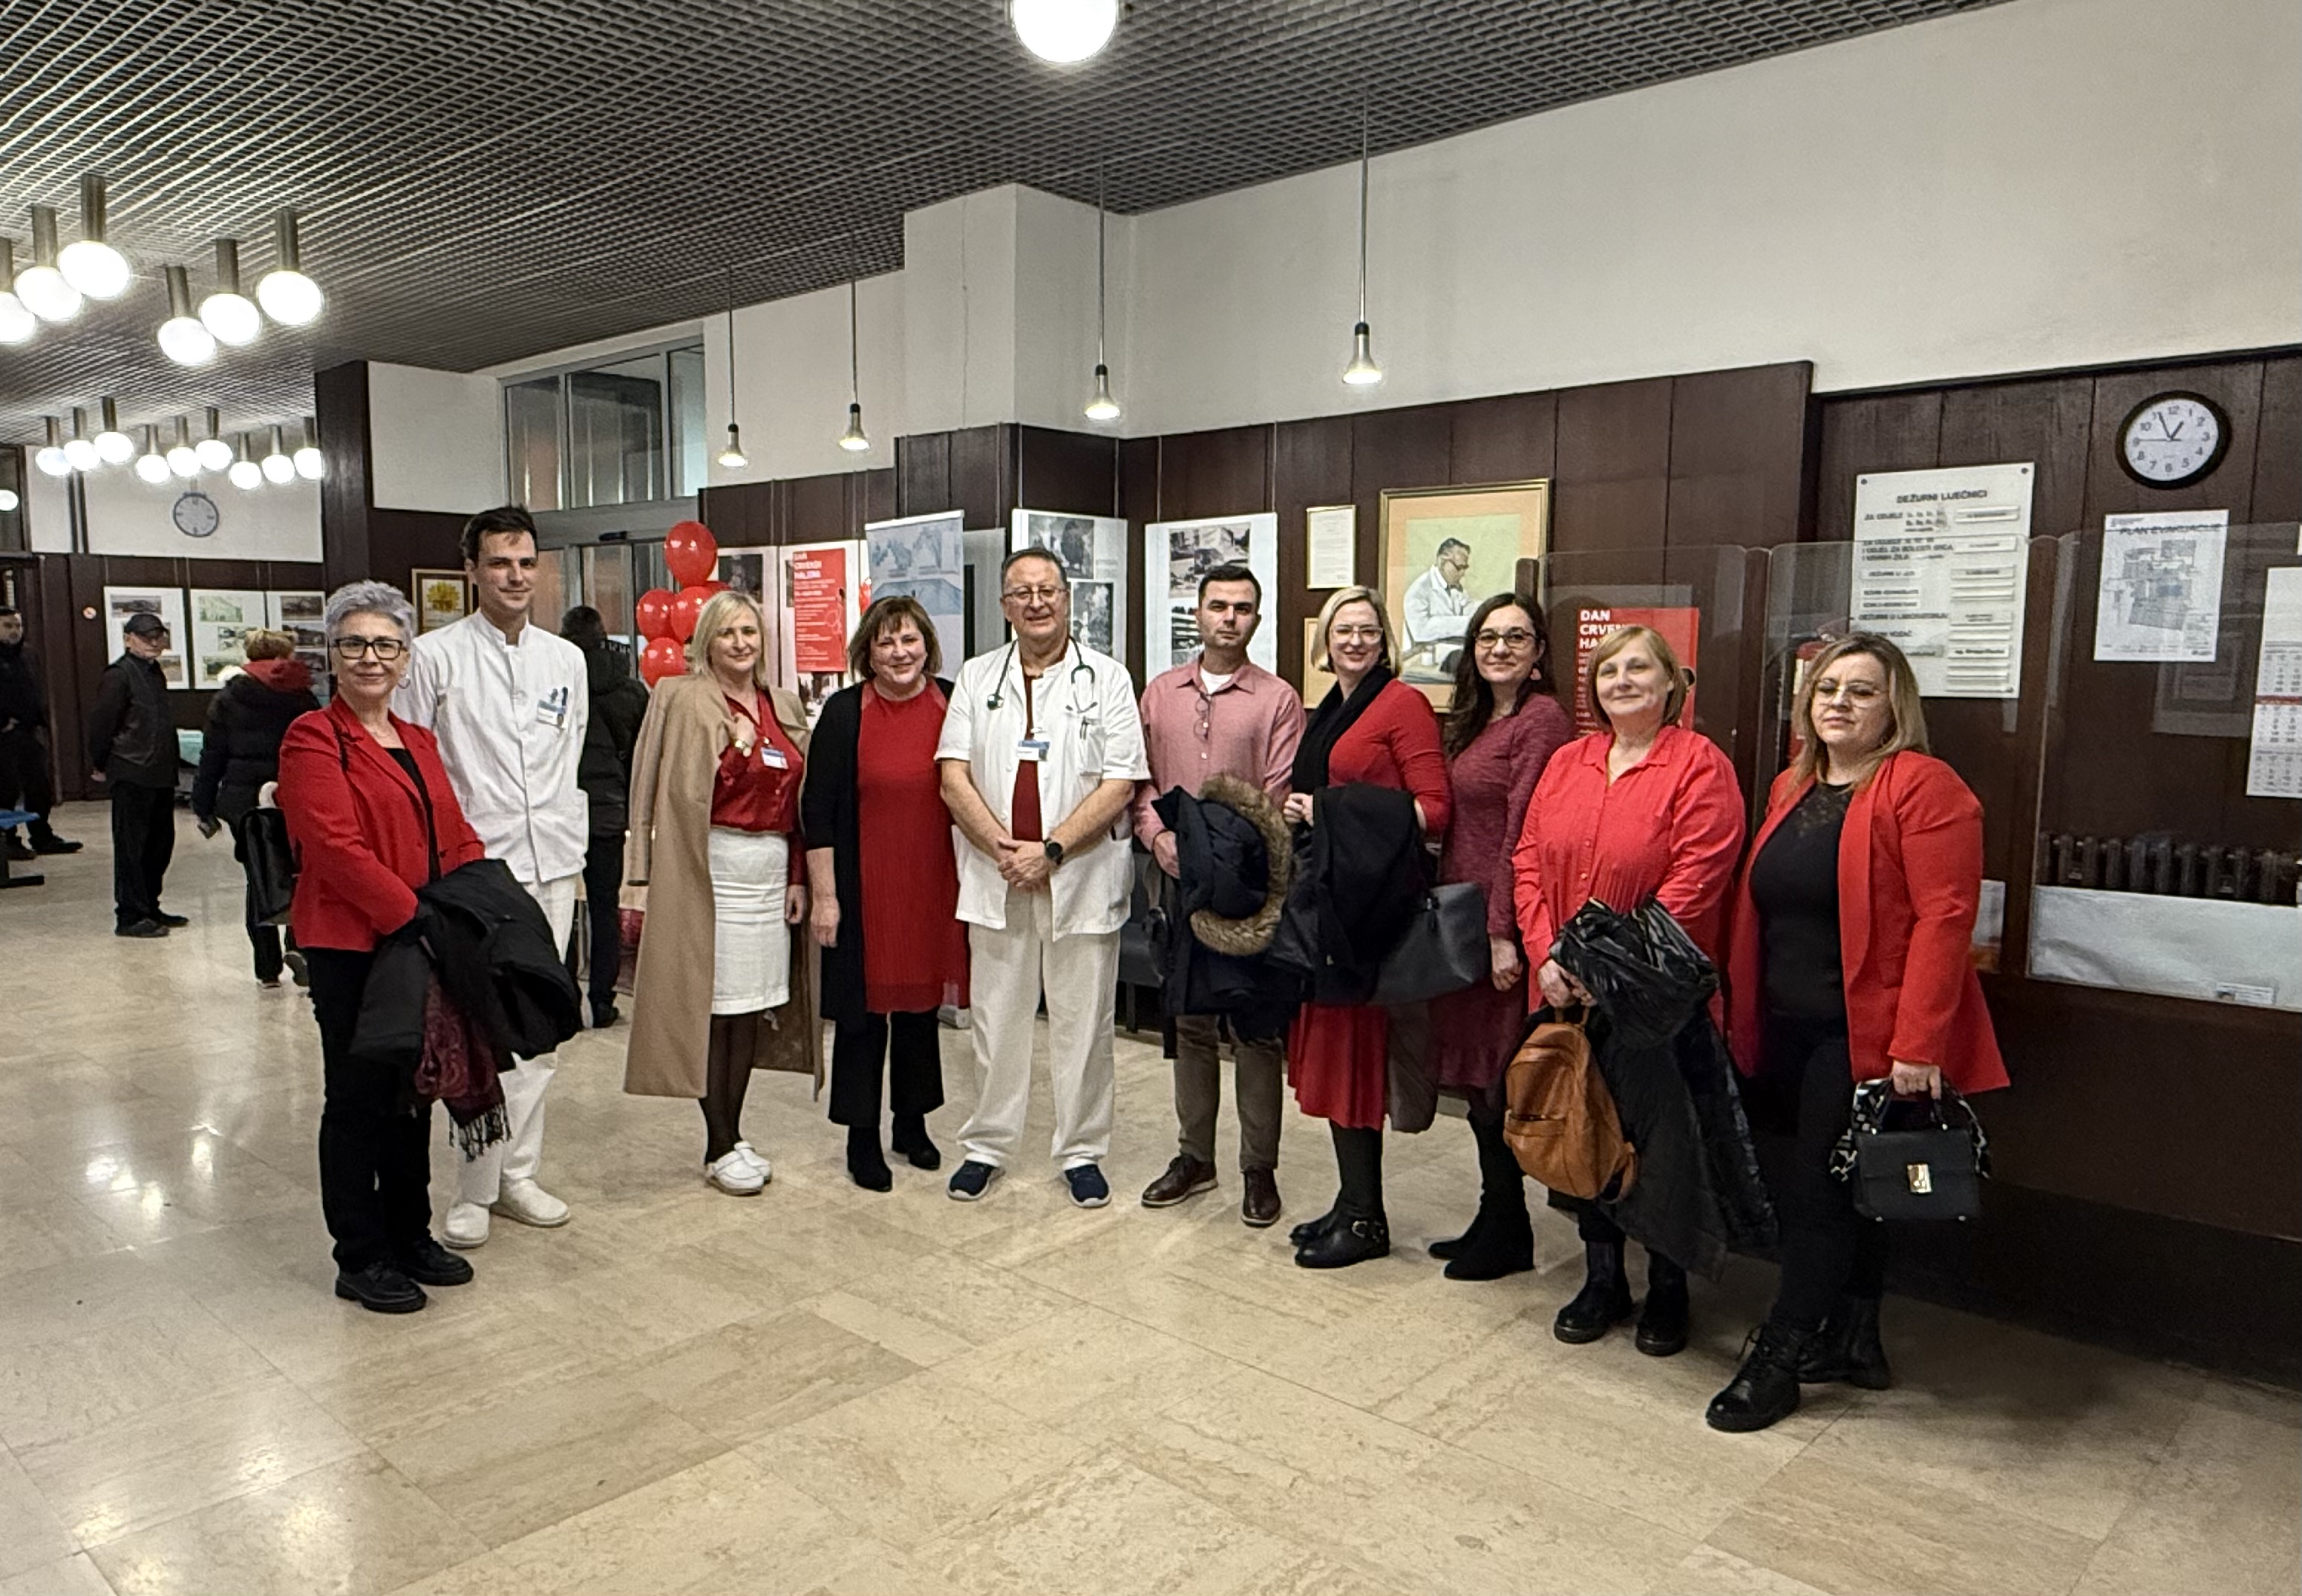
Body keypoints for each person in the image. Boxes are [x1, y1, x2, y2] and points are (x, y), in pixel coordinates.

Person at [1707, 634, 2007, 1432]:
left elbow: (1945, 919)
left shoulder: (1922, 786)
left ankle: (1777, 1359)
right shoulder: (1793, 785)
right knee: (1851, 1185)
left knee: (1816, 1197)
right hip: (1786, 1023)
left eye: (1860, 690)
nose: (1838, 701)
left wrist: (1917, 1045)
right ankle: (1854, 1337)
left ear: (1892, 706)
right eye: (1826, 687)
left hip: (1863, 1034)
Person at [1511, 624, 1744, 1353]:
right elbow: (1526, 860)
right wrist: (1547, 954)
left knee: (1660, 1145)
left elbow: (1696, 878)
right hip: (1563, 991)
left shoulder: (1698, 765)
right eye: (1609, 670)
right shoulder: (1568, 761)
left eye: (1638, 668)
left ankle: (1668, 1288)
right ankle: (1601, 1277)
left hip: (1652, 999)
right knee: (1583, 1131)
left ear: (1671, 682)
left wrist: (1602, 966)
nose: (1621, 681)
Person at [277, 581, 485, 1314]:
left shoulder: (418, 738)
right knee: (358, 1098)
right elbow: (334, 848)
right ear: (332, 655)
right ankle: (360, 1254)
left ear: (405, 658)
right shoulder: (312, 737)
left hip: (419, 939)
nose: (371, 657)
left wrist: (472, 894)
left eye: (386, 644)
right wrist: (412, 915)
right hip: (353, 945)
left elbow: (453, 830)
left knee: (412, 1095)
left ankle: (410, 1233)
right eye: (355, 643)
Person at [396, 506, 587, 1247]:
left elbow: (568, 752)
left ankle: (518, 1176)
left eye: (526, 562)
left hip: (553, 863)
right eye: (500, 563)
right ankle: (474, 1187)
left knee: (539, 1025)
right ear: (471, 570)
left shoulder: (564, 660)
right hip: (476, 873)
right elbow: (414, 765)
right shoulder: (435, 657)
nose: (515, 576)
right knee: (480, 1032)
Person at [936, 548, 1148, 1207]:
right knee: (996, 1018)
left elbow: (1120, 782)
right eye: (1021, 592)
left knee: (1083, 1024)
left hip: (1079, 876)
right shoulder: (976, 677)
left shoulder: (1107, 679)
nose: (1036, 603)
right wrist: (1007, 851)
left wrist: (1050, 850)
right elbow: (952, 776)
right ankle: (988, 1144)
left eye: (1047, 590)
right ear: (1004, 605)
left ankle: (1081, 1151)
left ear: (1067, 599)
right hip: (997, 875)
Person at [624, 589, 820, 1195]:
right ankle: (717, 1142)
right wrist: (736, 746)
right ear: (706, 640)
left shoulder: (781, 704)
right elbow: (673, 788)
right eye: (728, 632)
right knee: (713, 1008)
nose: (740, 643)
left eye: (749, 632)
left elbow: (799, 802)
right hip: (710, 867)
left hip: (769, 871)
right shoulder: (682, 698)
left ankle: (732, 1135)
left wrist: (797, 875)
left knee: (750, 1009)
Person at [1131, 562, 1304, 1227]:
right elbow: (1140, 780)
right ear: (1197, 614)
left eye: (1242, 608)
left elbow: (1275, 795)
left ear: (1256, 618)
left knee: (1254, 1028)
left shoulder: (1277, 699)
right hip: (1175, 880)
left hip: (1246, 887)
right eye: (1218, 606)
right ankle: (1194, 1158)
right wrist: (1156, 837)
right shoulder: (1160, 693)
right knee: (1190, 1022)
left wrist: (1227, 858)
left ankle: (1259, 1169)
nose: (1228, 618)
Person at [1284, 586, 1452, 1268]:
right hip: (1331, 903)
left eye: (1368, 630)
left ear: (1385, 640)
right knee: (1332, 1056)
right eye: (1342, 630)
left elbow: (1434, 809)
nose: (1355, 641)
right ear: (1324, 642)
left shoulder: (1402, 704)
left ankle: (1364, 1221)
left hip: (1370, 911)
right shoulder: (1332, 705)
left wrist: (1328, 810)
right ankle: (1352, 1201)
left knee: (1354, 1061)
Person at [1426, 594, 1574, 1280]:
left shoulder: (1541, 719)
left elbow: (1524, 830)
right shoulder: (1478, 716)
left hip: (1499, 923)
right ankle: (1497, 1217)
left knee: (1499, 1080)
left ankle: (1510, 1231)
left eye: (1516, 637)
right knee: (1479, 1087)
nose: (1500, 649)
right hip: (1462, 921)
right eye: (1487, 637)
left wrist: (1502, 933)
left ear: (1538, 651)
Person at [802, 595, 965, 1191]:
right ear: (867, 652)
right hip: (863, 889)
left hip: (931, 885)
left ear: (927, 646)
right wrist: (825, 897)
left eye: (909, 640)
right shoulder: (844, 713)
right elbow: (817, 812)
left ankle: (911, 1125)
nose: (899, 652)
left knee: (920, 1010)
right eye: (886, 642)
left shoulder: (953, 702)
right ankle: (861, 1136)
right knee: (862, 1016)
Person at [193, 628, 320, 987]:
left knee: (259, 877)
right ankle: (299, 948)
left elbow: (212, 755)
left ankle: (267, 969)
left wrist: (203, 806)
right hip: (296, 795)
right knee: (299, 874)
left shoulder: (230, 697)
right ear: (286, 656)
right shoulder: (302, 695)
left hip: (244, 801)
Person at [561, 606, 650, 1030]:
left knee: (561, 907)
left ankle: (564, 997)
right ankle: (602, 1000)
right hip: (610, 812)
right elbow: (640, 755)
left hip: (561, 810)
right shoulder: (630, 690)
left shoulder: (557, 679)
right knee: (604, 907)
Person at [87, 611, 183, 938]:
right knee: (132, 847)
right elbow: (102, 723)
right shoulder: (119, 675)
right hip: (132, 769)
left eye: (158, 637)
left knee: (159, 844)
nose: (154, 643)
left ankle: (150, 906)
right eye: (146, 637)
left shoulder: (154, 672)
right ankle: (130, 915)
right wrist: (100, 762)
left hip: (159, 770)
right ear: (128, 639)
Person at [0, 605, 79, 859]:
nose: (14, 631)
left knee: (39, 787)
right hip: (4, 735)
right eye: (8, 626)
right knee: (6, 790)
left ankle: (42, 836)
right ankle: (8, 841)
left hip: (29, 731)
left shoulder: (28, 654)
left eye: (17, 625)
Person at [1401, 538, 1472, 673]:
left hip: (1452, 658)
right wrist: (1465, 622)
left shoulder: (1456, 588)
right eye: (1459, 568)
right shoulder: (1419, 590)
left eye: (1465, 568)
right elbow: (1421, 632)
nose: (1463, 573)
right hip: (1425, 664)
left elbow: (1469, 609)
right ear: (1442, 562)